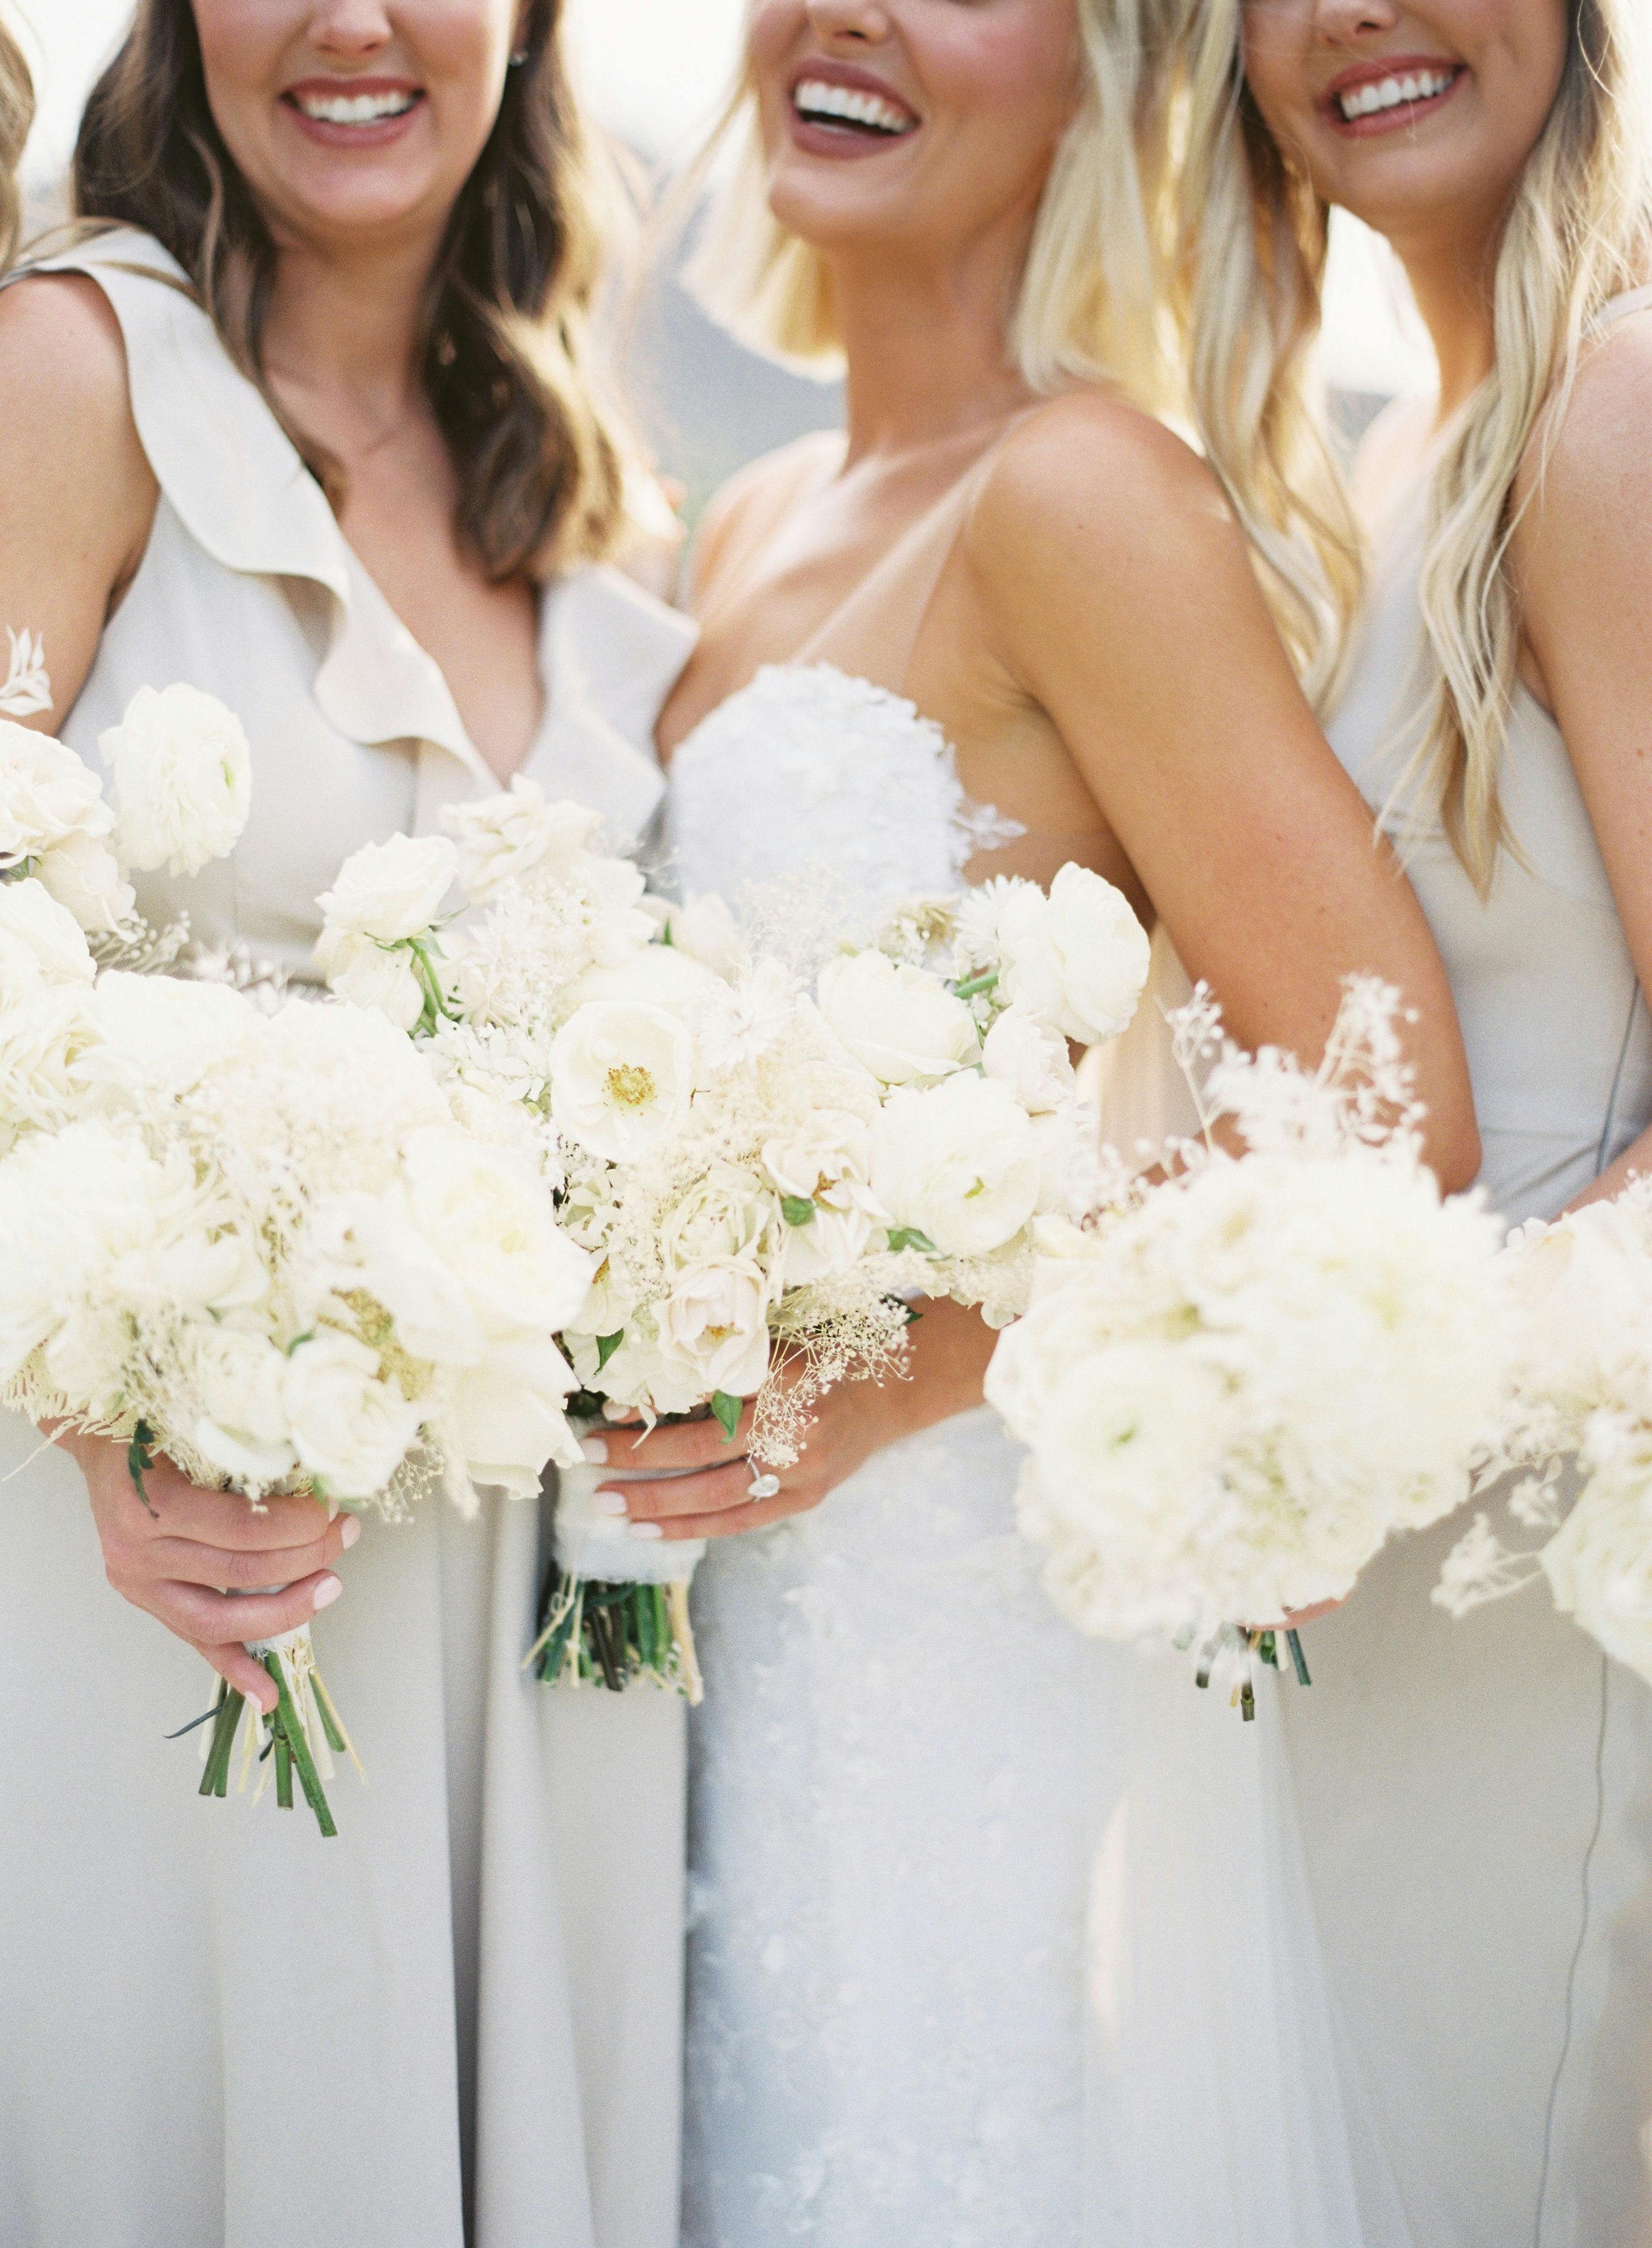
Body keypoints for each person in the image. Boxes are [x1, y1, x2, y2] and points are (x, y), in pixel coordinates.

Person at [602, 2, 1478, 2241]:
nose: (847, 17)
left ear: (1107, 76)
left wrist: (907, 1385)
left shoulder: (1082, 491)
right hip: (714, 1643)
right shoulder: (767, 513)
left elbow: (1381, 1106)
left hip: (954, 1626)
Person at [0, 5, 694, 2245]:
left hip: (532, 1634)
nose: (351, 25)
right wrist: (102, 1409)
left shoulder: (583, 486)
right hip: (154, 1590)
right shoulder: (68, 379)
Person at [1174, 1, 1652, 2239]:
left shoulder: (1623, 407)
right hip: (1372, 1590)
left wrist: (1367, 1401)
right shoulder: (1394, 469)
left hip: (1536, 1587)